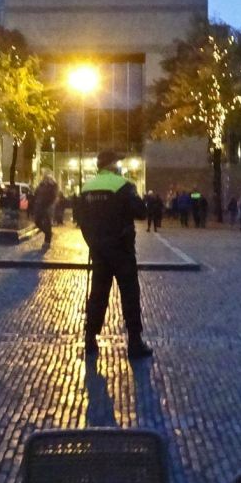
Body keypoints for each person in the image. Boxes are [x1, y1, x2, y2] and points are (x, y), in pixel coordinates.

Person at [74, 150, 151, 361]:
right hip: (122, 249)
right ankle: (134, 343)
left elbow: (80, 219)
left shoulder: (86, 188)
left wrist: (92, 243)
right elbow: (141, 212)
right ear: (112, 165)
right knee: (130, 294)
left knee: (97, 295)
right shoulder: (123, 185)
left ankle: (90, 339)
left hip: (98, 250)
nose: (119, 166)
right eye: (117, 162)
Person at [33, 169, 60, 246]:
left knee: (47, 223)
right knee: (37, 222)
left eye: (47, 176)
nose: (45, 177)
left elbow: (54, 196)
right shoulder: (41, 185)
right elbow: (36, 193)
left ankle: (47, 241)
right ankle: (48, 233)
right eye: (44, 176)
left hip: (48, 206)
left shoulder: (53, 185)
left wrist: (49, 204)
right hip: (39, 206)